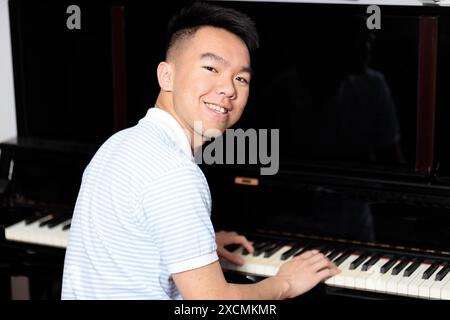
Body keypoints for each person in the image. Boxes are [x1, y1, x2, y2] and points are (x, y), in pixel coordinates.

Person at [61, 1, 339, 300]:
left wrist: (194, 245)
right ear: (166, 76)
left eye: (241, 78)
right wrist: (286, 284)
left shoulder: (118, 144)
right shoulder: (175, 174)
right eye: (211, 68)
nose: (229, 89)